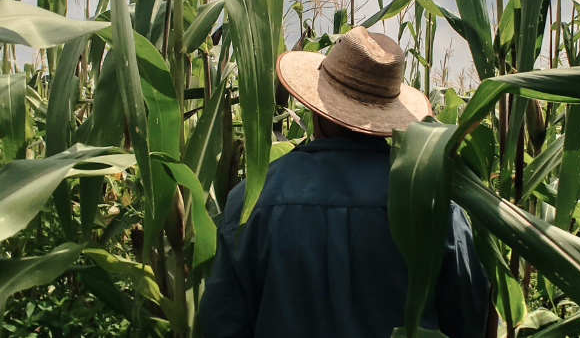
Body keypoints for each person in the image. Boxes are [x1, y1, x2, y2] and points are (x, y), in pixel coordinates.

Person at [198, 27, 490, 338]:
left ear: (316, 106)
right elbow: (469, 322)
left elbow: (222, 325)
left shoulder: (251, 200)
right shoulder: (434, 206)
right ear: (389, 115)